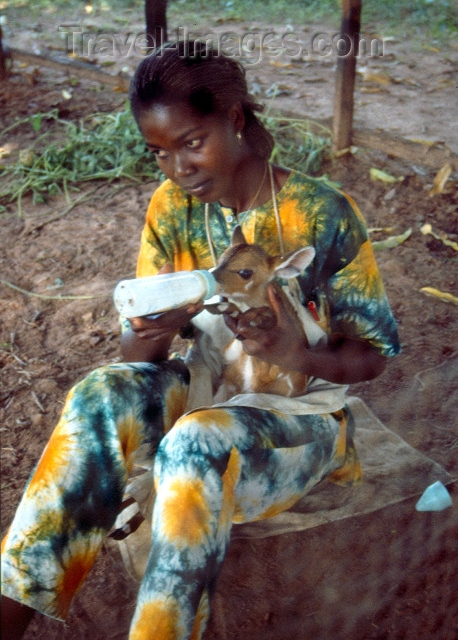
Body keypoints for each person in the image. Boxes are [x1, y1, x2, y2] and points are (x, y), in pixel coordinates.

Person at [1, 40, 400, 640]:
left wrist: (298, 354)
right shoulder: (171, 210)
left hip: (301, 425)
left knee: (195, 442)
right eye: (159, 152)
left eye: (192, 143)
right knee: (98, 394)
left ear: (235, 120)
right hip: (208, 394)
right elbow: (136, 361)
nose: (178, 169)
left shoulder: (321, 213)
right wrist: (149, 333)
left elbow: (373, 354)